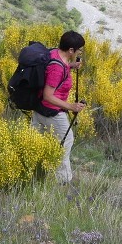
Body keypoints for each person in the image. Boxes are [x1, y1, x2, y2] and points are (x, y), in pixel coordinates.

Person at [31, 30, 86, 184]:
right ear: (71, 50)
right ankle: (62, 182)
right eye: (79, 49)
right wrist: (70, 106)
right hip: (52, 112)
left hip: (39, 109)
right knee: (65, 142)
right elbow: (48, 95)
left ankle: (35, 177)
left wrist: (71, 66)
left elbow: (56, 68)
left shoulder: (55, 53)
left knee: (37, 144)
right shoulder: (58, 68)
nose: (80, 52)